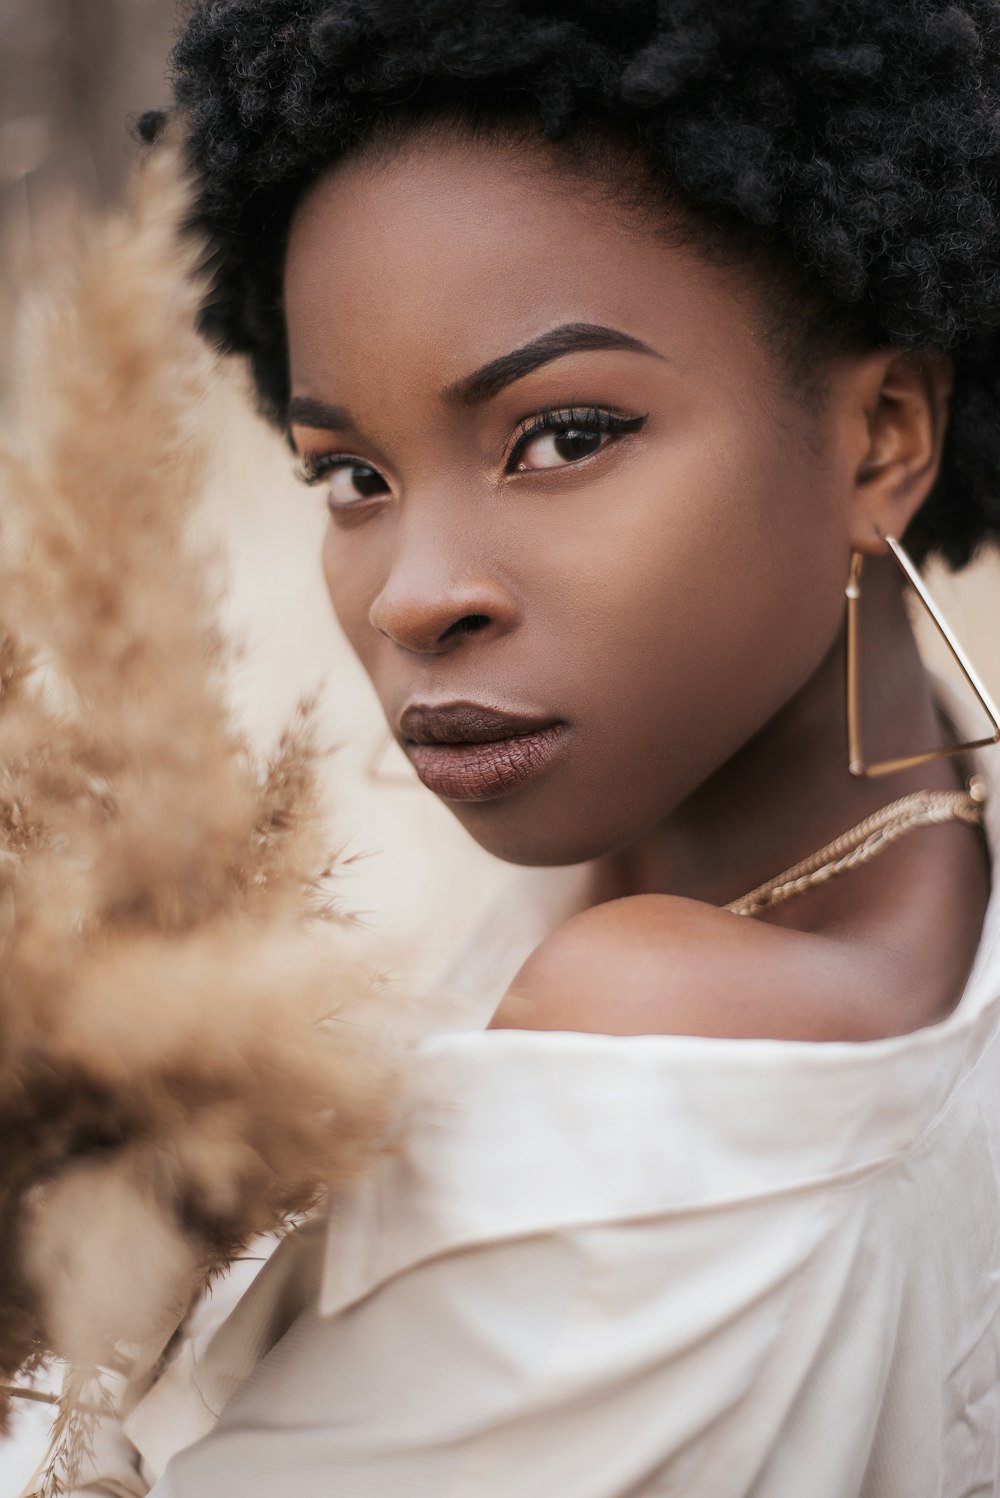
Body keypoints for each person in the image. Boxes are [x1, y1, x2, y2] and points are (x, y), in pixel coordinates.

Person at [62, 0, 1000, 1492]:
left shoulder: (648, 1035)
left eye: (562, 435)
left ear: (882, 435)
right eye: (352, 474)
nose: (416, 592)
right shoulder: (923, 846)